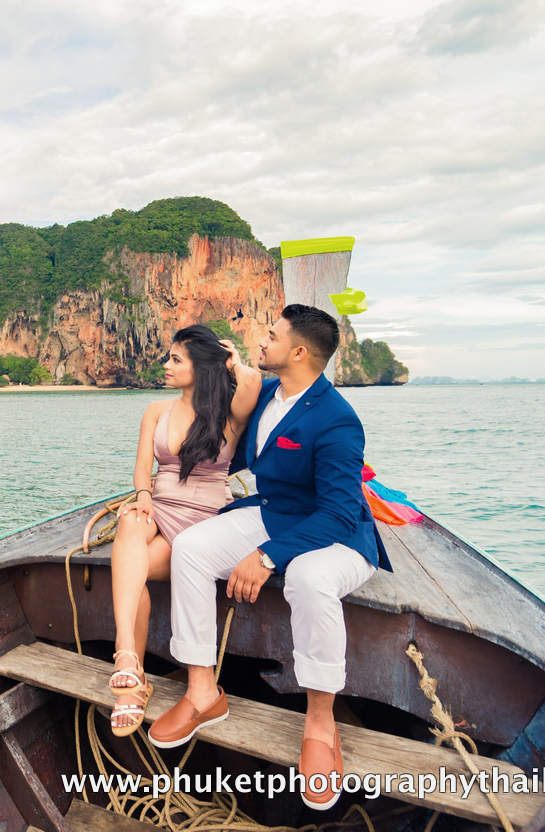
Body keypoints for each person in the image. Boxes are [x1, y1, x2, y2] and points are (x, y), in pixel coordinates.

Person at [146, 304, 392, 810]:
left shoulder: (337, 420)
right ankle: (201, 693)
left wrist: (267, 557)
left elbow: (343, 511)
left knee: (307, 576)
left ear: (299, 352)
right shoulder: (267, 400)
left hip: (337, 535)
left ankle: (321, 725)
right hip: (274, 513)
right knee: (191, 548)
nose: (263, 340)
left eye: (273, 335)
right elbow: (231, 449)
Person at [107, 324, 261, 735]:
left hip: (202, 526)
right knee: (129, 524)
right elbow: (144, 466)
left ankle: (131, 687)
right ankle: (127, 661)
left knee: (132, 575)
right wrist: (142, 494)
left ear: (202, 367)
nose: (166, 365)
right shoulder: (156, 410)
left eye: (176, 359)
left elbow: (252, 381)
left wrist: (233, 359)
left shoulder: (229, 412)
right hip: (157, 509)